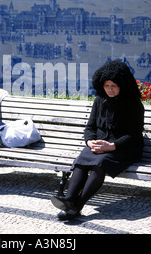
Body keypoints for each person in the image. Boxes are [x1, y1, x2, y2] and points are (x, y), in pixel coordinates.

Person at [51, 60, 145, 220]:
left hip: (125, 148)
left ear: (122, 85)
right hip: (100, 145)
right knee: (82, 160)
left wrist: (112, 146)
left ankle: (77, 205)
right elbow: (90, 128)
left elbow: (133, 136)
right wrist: (89, 142)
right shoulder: (99, 101)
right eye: (107, 85)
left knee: (99, 164)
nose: (109, 89)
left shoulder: (134, 105)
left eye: (113, 85)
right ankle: (69, 200)